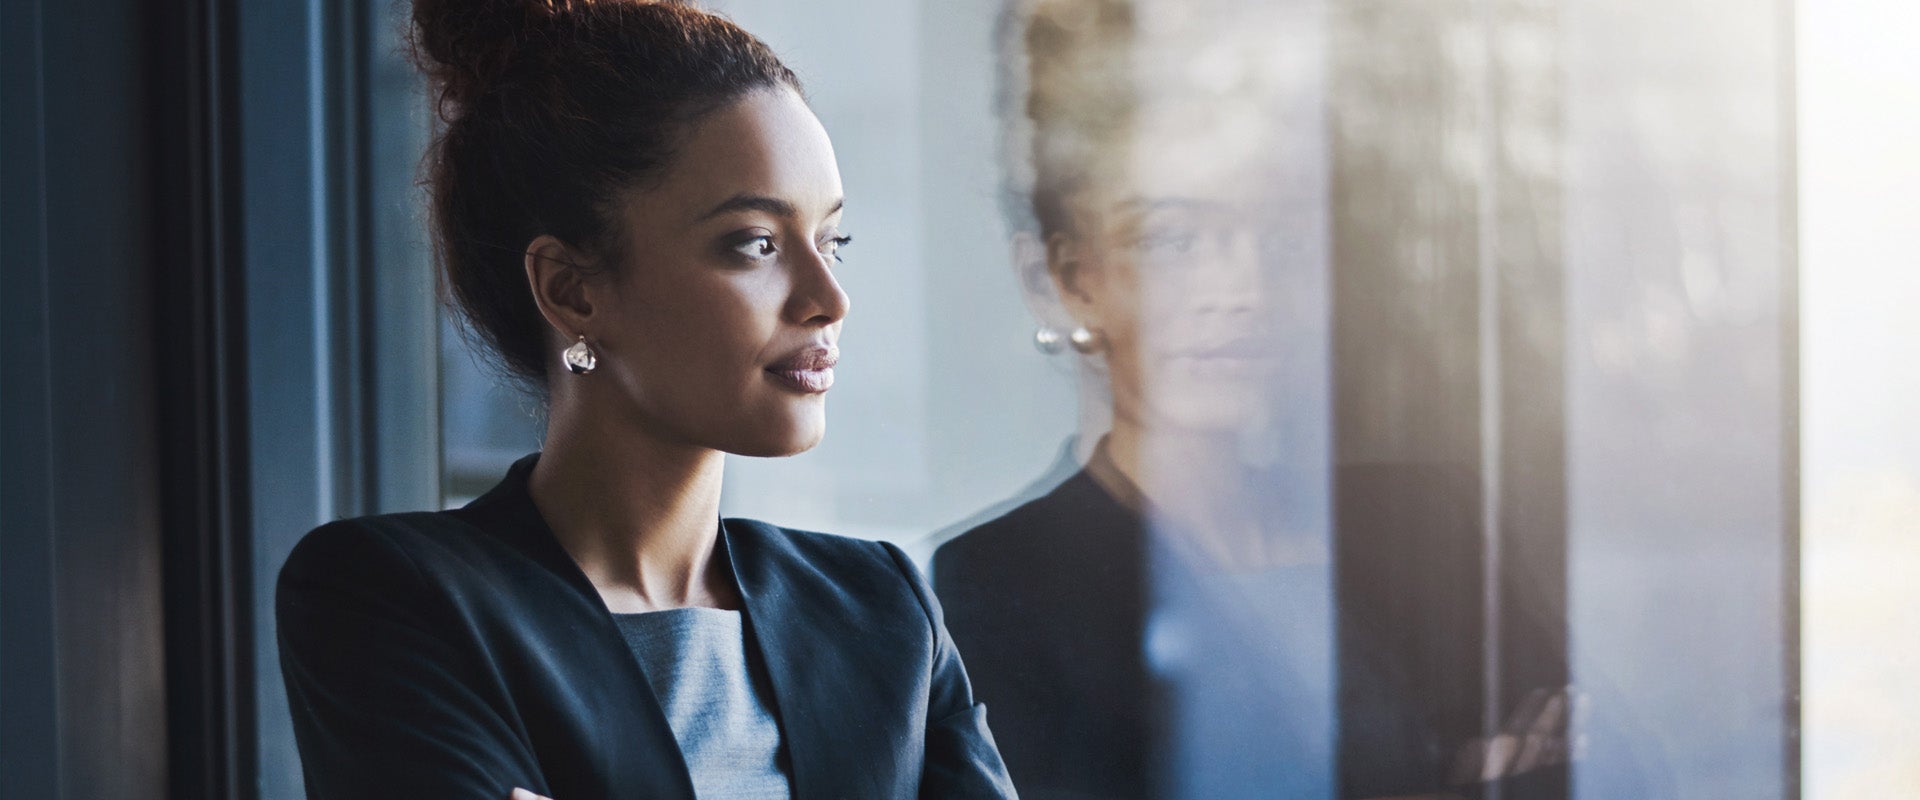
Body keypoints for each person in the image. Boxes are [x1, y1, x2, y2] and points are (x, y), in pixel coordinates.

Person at [273, 2, 1014, 798]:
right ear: (572, 291)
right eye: (755, 244)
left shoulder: (883, 610)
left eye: (833, 242)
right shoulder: (393, 596)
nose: (829, 298)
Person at [931, 1, 1582, 798]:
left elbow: (1613, 768)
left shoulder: (1429, 522)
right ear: (1062, 280)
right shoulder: (999, 586)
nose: (1244, 288)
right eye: (1172, 240)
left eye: (1280, 238)